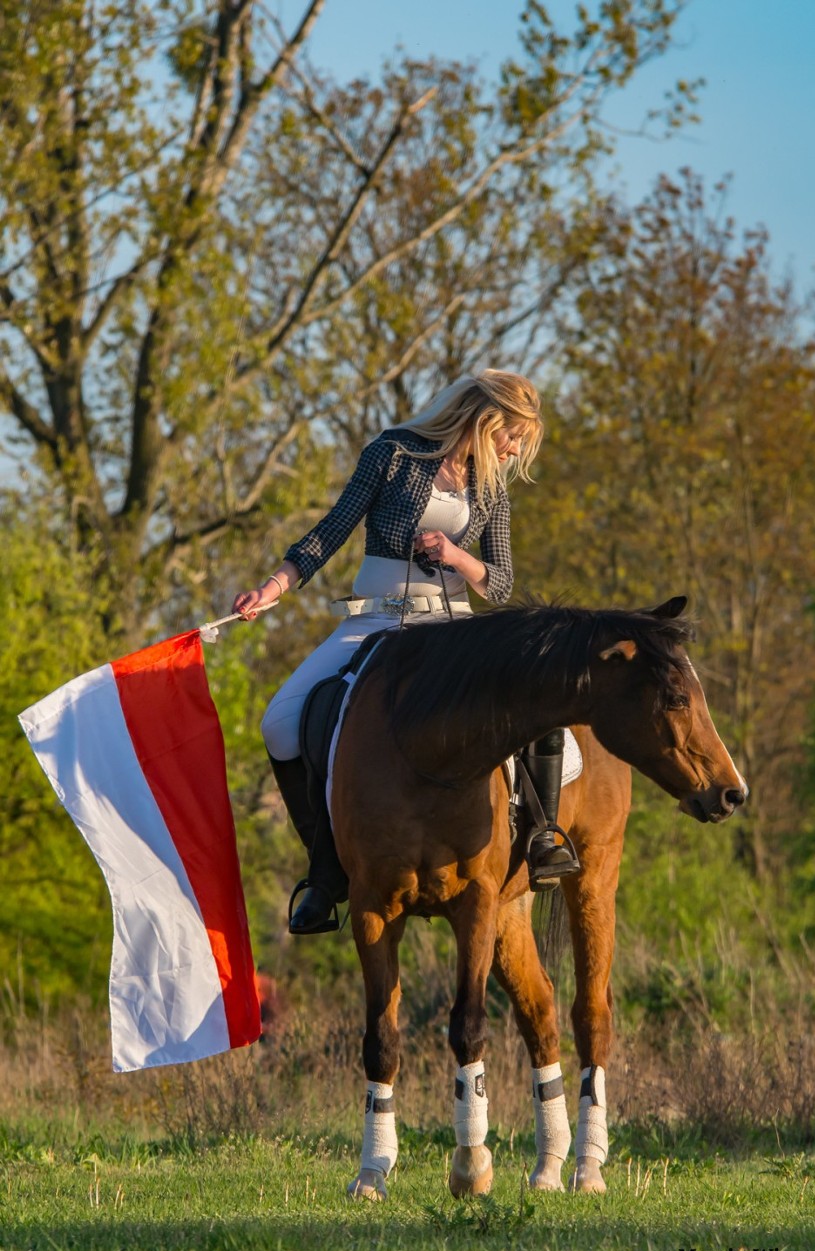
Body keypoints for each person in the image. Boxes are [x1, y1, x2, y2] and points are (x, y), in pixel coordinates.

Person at [233, 369, 579, 934]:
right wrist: (270, 590)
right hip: (374, 619)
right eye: (510, 435)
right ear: (483, 418)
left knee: (537, 705)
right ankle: (325, 872)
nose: (513, 449)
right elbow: (330, 531)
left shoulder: (491, 487)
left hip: (452, 627)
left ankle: (543, 837)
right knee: (279, 724)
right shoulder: (392, 454)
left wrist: (455, 554)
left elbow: (501, 583)